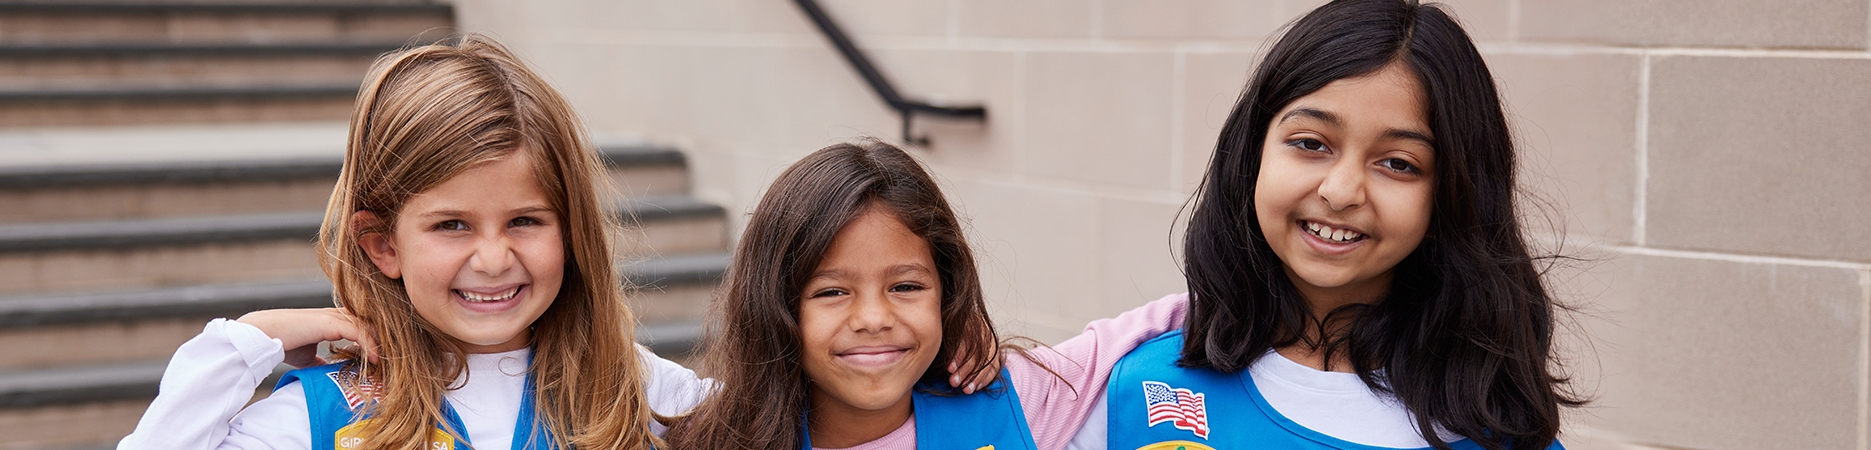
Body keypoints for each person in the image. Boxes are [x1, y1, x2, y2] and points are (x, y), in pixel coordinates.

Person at [115, 35, 717, 450]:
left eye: (526, 221)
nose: (492, 259)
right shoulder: (335, 412)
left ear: (572, 229)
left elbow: (786, 419)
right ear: (383, 246)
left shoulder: (627, 385)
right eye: (452, 225)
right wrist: (250, 340)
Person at [1067, 1, 1582, 449]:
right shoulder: (1130, 389)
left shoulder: (1496, 430)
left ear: (1452, 196)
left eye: (1398, 163)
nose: (1340, 191)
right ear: (1251, 156)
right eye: (1311, 143)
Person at [662, 139, 1188, 450]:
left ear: (947, 293)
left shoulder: (1018, 402)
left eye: (906, 286)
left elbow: (1176, 313)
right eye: (832, 291)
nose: (873, 317)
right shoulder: (718, 431)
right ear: (776, 307)